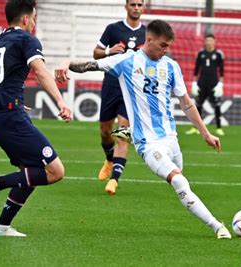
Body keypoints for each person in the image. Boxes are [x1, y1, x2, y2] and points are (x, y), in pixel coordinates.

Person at [55, 19, 232, 239]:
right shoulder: (126, 61)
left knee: (181, 181)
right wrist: (66, 62)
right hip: (147, 143)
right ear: (149, 40)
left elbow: (186, 103)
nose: (167, 50)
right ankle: (217, 226)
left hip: (171, 139)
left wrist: (206, 132)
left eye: (168, 46)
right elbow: (90, 65)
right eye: (163, 45)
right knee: (178, 180)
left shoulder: (171, 66)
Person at [0, 0, 72, 237]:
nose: (33, 22)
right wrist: (61, 102)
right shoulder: (26, 40)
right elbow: (40, 72)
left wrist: (11, 99)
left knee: (30, 172)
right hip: (11, 117)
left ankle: (1, 228)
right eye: (34, 17)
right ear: (25, 18)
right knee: (55, 171)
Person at [93, 0, 146, 195]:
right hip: (111, 86)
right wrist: (109, 51)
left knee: (123, 133)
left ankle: (114, 179)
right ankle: (109, 159)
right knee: (105, 132)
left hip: (132, 90)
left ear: (143, 7)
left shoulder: (147, 34)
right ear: (126, 6)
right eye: (133, 4)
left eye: (140, 4)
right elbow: (96, 53)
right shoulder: (113, 29)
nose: (136, 8)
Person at [186, 33, 225, 136]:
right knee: (197, 106)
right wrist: (194, 83)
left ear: (214, 42)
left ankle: (219, 128)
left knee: (217, 106)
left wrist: (220, 84)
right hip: (202, 83)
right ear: (205, 42)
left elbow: (221, 71)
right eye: (207, 40)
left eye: (211, 40)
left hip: (214, 84)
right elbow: (196, 69)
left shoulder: (218, 54)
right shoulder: (201, 54)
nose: (209, 42)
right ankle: (195, 128)